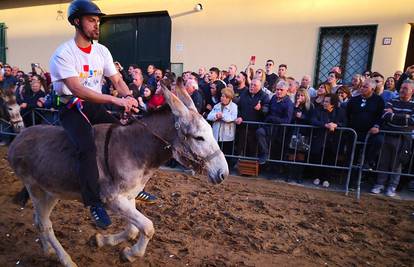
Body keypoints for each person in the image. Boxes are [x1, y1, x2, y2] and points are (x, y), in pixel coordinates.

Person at [49, 0, 153, 229]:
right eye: (92, 20)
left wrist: (129, 97)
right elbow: (78, 90)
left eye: (98, 21)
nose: (97, 25)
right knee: (86, 146)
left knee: (124, 134)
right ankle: (94, 202)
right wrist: (116, 99)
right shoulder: (63, 54)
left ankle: (136, 189)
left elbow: (116, 80)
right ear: (77, 22)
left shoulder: (101, 50)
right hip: (71, 107)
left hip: (93, 104)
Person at [371, 80, 414, 197]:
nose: (402, 90)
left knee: (397, 164)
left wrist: (393, 116)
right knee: (383, 161)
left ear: (412, 91)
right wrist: (404, 117)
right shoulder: (392, 101)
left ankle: (392, 187)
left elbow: (412, 121)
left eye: (405, 88)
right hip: (388, 135)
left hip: (403, 138)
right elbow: (385, 115)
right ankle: (380, 184)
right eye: (401, 88)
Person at [256, 80, 293, 164]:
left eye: (281, 90)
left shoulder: (288, 103)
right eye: (277, 89)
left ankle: (274, 169)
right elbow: (268, 109)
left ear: (286, 91)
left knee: (276, 151)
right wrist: (264, 109)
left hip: (280, 131)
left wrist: (273, 119)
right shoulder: (273, 98)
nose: (278, 91)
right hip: (268, 127)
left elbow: (287, 120)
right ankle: (265, 153)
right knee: (259, 132)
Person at [207, 87, 238, 160]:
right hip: (216, 134)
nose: (222, 98)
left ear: (229, 98)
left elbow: (232, 117)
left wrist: (222, 116)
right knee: (216, 155)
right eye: (222, 96)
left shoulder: (234, 106)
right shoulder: (216, 106)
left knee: (226, 155)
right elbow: (209, 116)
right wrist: (216, 116)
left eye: (224, 97)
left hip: (227, 135)